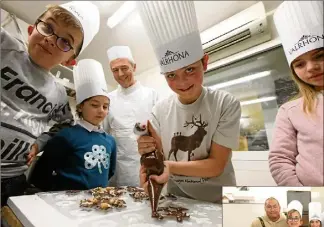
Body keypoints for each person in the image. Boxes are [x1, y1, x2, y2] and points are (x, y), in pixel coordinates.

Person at [136, 1, 241, 203]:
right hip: (178, 199)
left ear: (205, 62)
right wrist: (148, 154)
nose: (181, 83)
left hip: (219, 200)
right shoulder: (159, 110)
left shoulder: (225, 103)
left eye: (190, 70)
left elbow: (216, 165)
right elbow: (158, 156)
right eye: (171, 75)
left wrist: (169, 166)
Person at [1, 1, 100, 206]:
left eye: (65, 41)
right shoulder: (4, 46)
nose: (51, 40)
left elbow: (64, 124)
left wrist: (39, 143)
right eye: (48, 27)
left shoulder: (59, 95)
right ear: (32, 28)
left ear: (69, 61)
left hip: (11, 180)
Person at [29, 59, 116, 191]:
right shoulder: (65, 136)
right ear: (80, 107)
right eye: (94, 105)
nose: (101, 110)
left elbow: (110, 172)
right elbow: (40, 174)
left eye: (105, 106)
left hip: (97, 202)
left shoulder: (110, 141)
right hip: (67, 202)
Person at [269, 1, 324, 186]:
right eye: (300, 63)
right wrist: (305, 197)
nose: (311, 67)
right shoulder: (290, 110)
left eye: (319, 56)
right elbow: (280, 160)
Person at [104, 46, 159, 187]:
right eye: (115, 70)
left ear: (134, 67)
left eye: (124, 68)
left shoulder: (151, 95)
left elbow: (160, 133)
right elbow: (103, 135)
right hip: (118, 169)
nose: (120, 74)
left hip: (146, 166)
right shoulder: (108, 100)